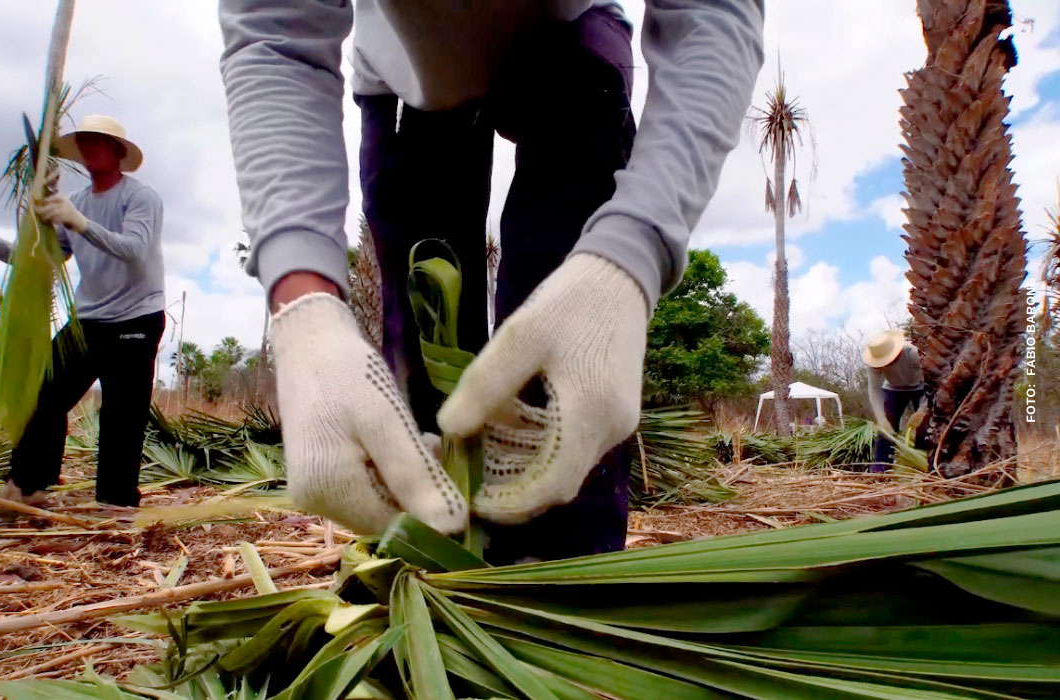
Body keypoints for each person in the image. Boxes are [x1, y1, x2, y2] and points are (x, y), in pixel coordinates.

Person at [218, 1, 764, 563]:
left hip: (573, 33)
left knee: (564, 349)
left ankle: (562, 582)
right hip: (405, 68)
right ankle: (431, 574)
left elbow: (712, 14)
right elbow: (275, 34)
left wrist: (631, 254)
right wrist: (303, 307)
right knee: (421, 330)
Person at [0, 115, 166, 513]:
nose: (90, 147)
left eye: (99, 141)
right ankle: (27, 488)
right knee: (44, 395)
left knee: (121, 418)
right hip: (90, 320)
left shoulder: (140, 198)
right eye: (84, 141)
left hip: (136, 320)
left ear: (117, 151)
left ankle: (116, 505)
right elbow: (48, 257)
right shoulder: (74, 202)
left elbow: (133, 248)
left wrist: (78, 221)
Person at [863, 329, 927, 472]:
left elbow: (934, 383)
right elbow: (874, 390)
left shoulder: (913, 354)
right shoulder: (874, 363)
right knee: (886, 429)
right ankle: (881, 468)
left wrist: (922, 411)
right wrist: (881, 418)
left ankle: (923, 465)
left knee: (925, 425)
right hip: (893, 388)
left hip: (921, 386)